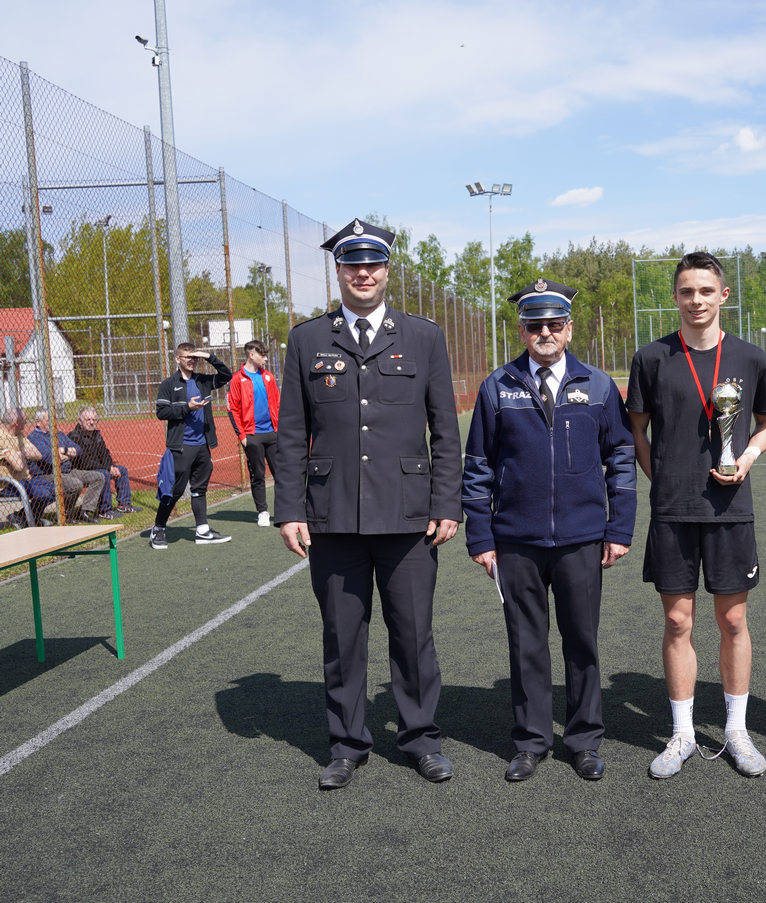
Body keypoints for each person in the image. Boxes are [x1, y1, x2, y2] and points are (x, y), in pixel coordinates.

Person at [274, 218, 462, 791]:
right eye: (352, 264)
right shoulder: (307, 339)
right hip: (333, 517)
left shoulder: (423, 336)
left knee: (413, 634)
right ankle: (347, 744)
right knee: (342, 637)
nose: (363, 273)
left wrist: (446, 502)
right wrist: (290, 509)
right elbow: (291, 432)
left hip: (408, 516)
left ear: (386, 270)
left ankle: (421, 739)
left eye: (373, 264)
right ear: (338, 271)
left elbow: (445, 430)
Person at [462, 278, 636, 782]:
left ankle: (584, 740)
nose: (545, 333)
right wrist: (481, 537)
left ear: (569, 329)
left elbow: (621, 458)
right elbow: (478, 466)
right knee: (526, 643)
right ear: (521, 330)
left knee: (582, 641)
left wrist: (619, 529)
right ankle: (531, 741)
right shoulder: (497, 386)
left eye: (554, 324)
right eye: (535, 325)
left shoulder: (598, 385)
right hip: (516, 540)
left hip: (582, 538)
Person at [627, 251, 766, 779]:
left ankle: (736, 730)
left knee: (733, 620)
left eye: (706, 291)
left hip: (731, 509)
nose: (696, 300)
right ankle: (683, 734)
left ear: (723, 295)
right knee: (677, 621)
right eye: (687, 291)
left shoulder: (751, 358)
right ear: (675, 297)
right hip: (673, 511)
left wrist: (747, 458)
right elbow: (637, 430)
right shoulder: (651, 358)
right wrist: (664, 479)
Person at [149, 343, 234, 549]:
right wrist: (187, 407)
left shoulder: (202, 380)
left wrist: (208, 356)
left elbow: (226, 375)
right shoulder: (169, 384)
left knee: (199, 489)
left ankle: (202, 531)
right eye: (187, 356)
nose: (191, 360)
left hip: (202, 445)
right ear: (177, 359)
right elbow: (162, 412)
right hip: (182, 446)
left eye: (194, 357)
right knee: (175, 490)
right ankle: (158, 528)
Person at [226, 340, 280, 527]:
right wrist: (242, 437)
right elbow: (232, 409)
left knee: (281, 473)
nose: (265, 359)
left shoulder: (268, 377)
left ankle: (284, 510)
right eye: (262, 355)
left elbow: (278, 404)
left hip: (273, 433)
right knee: (258, 474)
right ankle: (262, 511)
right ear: (251, 355)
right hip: (252, 436)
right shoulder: (237, 379)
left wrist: (279, 429)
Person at [28, 408, 104, 523]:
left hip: (66, 471)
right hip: (47, 473)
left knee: (98, 477)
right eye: (49, 420)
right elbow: (49, 459)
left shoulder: (59, 434)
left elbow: (78, 450)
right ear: (38, 422)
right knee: (75, 484)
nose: (53, 423)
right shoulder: (34, 438)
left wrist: (63, 450)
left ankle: (84, 512)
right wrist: (67, 455)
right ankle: (64, 514)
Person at [68, 406, 142, 518]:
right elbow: (85, 462)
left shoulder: (96, 435)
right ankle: (104, 510)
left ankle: (124, 504)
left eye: (94, 420)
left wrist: (111, 466)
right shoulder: (75, 437)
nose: (91, 422)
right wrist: (107, 468)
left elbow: (105, 453)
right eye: (88, 420)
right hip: (81, 470)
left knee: (122, 470)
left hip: (97, 467)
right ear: (80, 421)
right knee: (104, 474)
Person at [0, 408, 52, 525]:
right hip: (7, 485)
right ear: (16, 422)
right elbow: (18, 466)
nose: (27, 423)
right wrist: (24, 452)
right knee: (43, 493)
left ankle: (21, 517)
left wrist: (18, 454)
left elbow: (38, 455)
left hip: (24, 481)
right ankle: (29, 521)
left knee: (55, 489)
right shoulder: (1, 437)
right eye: (25, 420)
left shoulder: (19, 434)